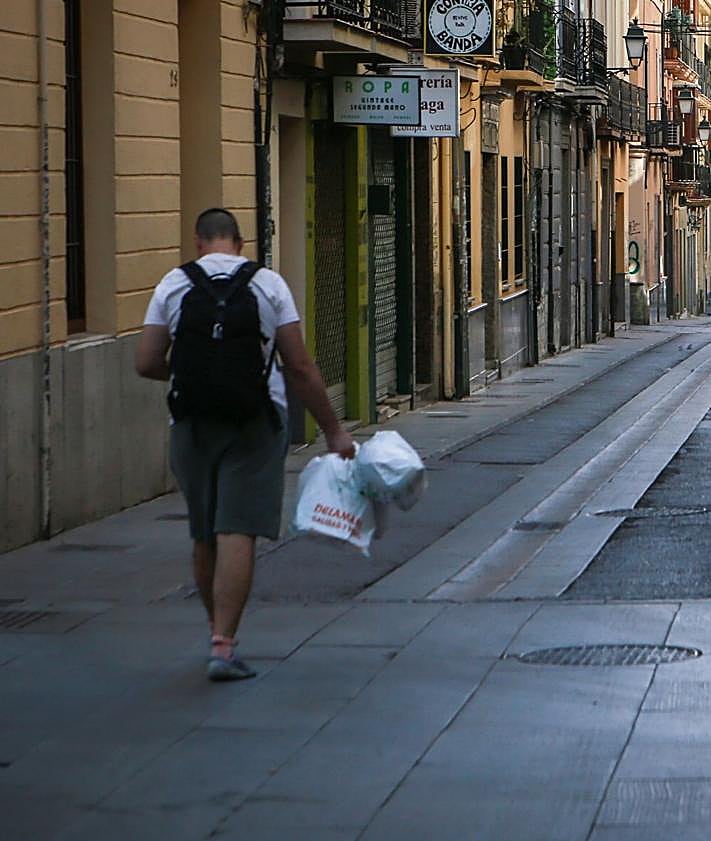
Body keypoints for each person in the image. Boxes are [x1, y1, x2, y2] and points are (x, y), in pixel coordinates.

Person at [135, 208, 354, 681]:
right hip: (256, 421)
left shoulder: (173, 284)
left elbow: (146, 361)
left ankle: (215, 629)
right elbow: (298, 365)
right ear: (240, 241)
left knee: (204, 530)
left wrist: (190, 376)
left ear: (198, 242)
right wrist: (334, 430)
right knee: (238, 529)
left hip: (191, 421)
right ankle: (223, 646)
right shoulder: (268, 284)